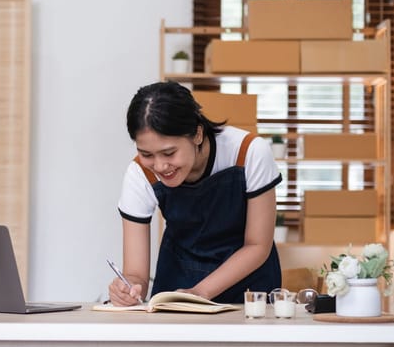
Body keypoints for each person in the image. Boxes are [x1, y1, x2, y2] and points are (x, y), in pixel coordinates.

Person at [108, 81, 282, 305]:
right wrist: (128, 289)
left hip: (249, 290)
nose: (160, 166)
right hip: (178, 284)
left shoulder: (248, 152)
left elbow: (258, 245)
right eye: (146, 154)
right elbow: (136, 274)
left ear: (197, 134)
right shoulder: (139, 173)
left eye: (169, 153)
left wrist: (200, 292)